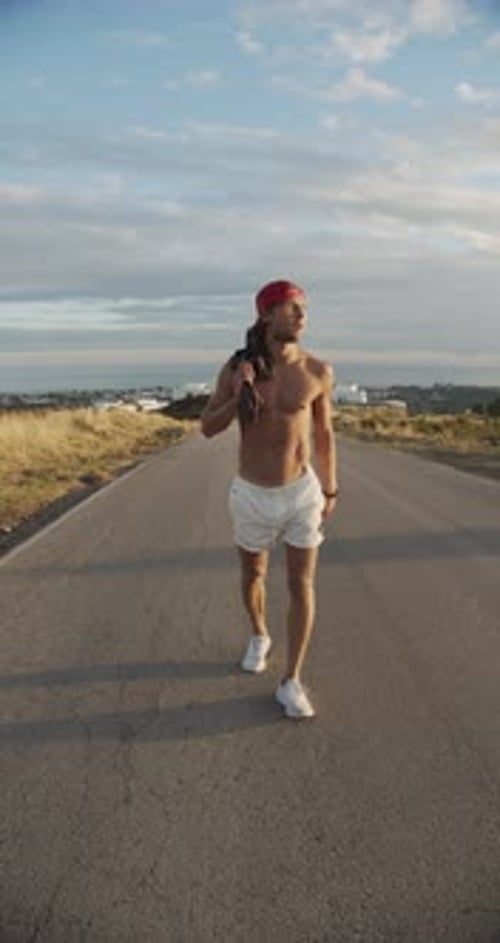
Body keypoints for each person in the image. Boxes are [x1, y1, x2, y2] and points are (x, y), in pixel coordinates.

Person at [200, 279, 338, 719]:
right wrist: (241, 393)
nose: (302, 316)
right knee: (253, 574)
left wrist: (330, 487)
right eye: (292, 308)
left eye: (303, 309)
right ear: (266, 315)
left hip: (301, 493)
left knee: (302, 584)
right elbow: (208, 426)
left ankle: (291, 680)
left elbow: (324, 434)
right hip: (252, 495)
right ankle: (260, 634)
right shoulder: (239, 367)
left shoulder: (318, 371)